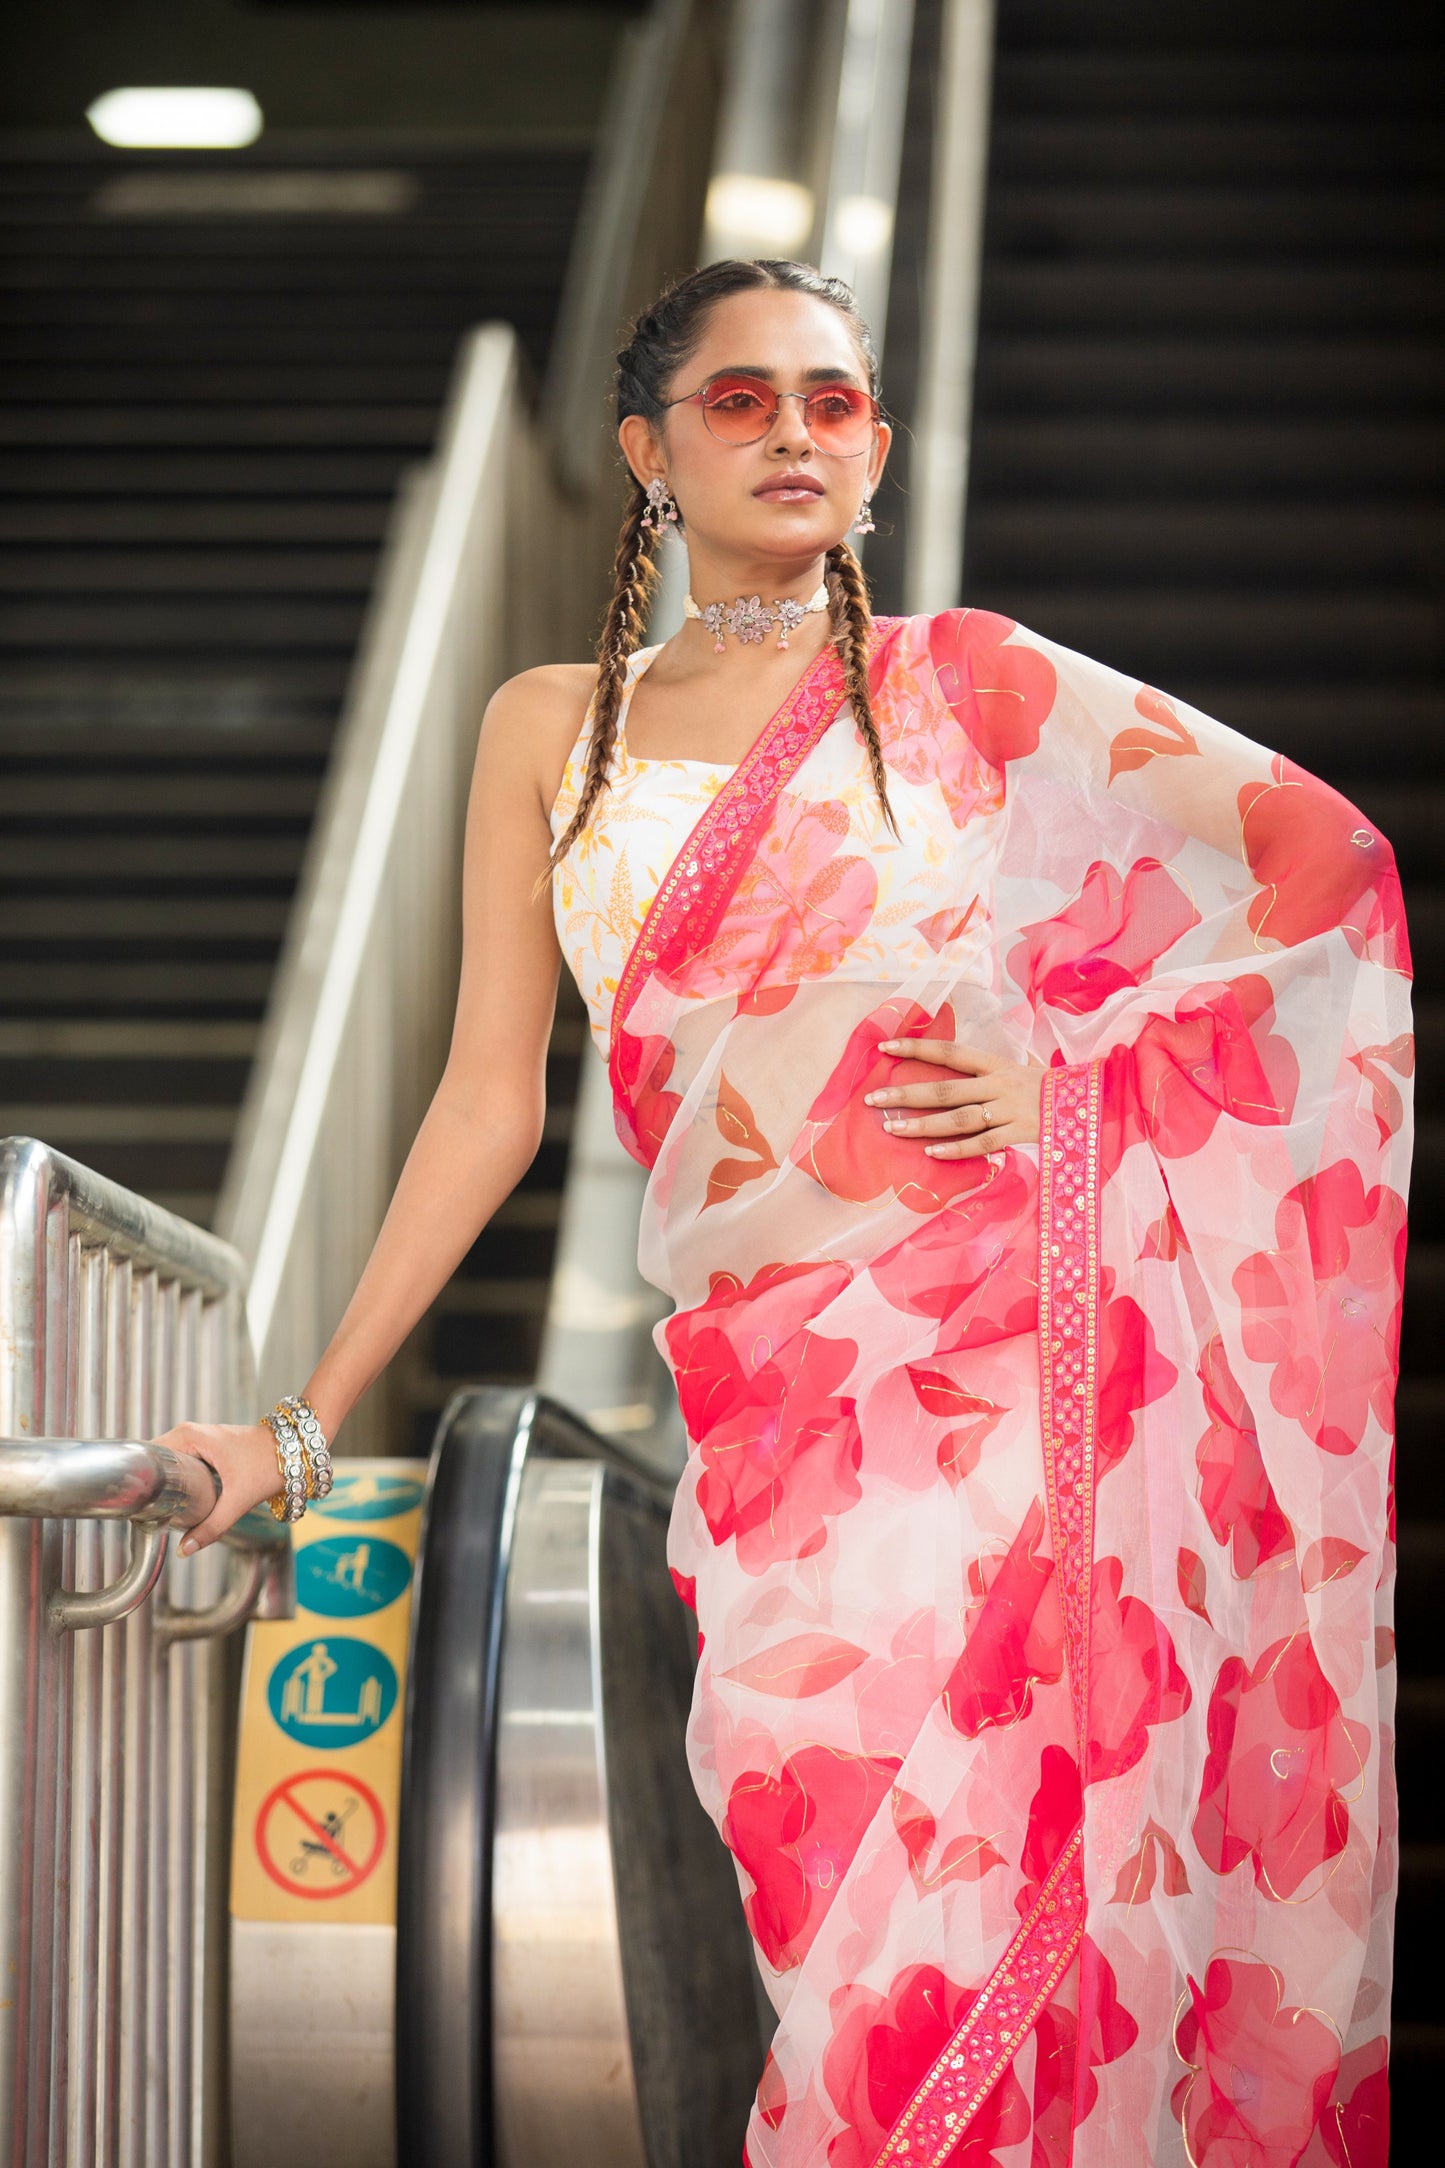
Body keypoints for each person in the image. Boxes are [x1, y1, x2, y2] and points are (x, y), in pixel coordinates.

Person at [157, 260, 1408, 2166]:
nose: (796, 434)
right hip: (768, 1423)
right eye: (741, 402)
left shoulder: (966, 680)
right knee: (832, 1896)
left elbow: (1324, 875)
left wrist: (1073, 1075)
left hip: (1003, 1376)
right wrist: (311, 1419)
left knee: (992, 1910)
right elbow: (492, 1096)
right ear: (650, 454)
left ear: (878, 449)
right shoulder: (545, 727)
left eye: (832, 402)